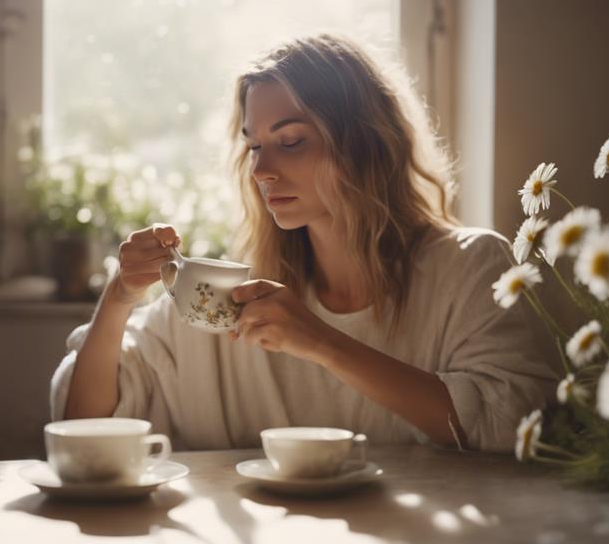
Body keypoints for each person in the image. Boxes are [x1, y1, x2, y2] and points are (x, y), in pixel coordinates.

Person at [51, 33, 559, 452]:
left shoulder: (471, 269)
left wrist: (320, 342)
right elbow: (82, 426)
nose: (262, 171)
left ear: (366, 142)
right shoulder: (230, 299)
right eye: (253, 146)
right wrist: (120, 296)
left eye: (290, 141)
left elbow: (509, 425)